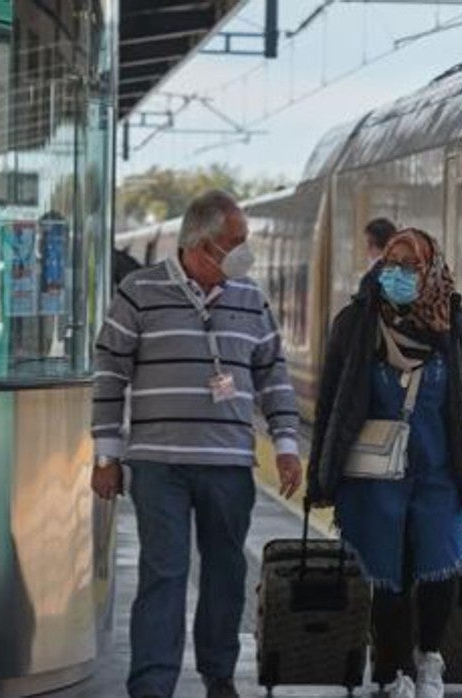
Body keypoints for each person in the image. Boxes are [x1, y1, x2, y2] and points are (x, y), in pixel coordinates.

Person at [90, 190, 303, 698]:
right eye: (235, 242)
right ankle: (152, 684)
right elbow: (109, 373)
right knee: (164, 572)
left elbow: (273, 375)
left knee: (226, 572)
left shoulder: (251, 299)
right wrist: (106, 454)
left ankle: (218, 673)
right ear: (202, 244)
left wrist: (288, 442)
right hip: (159, 462)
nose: (244, 251)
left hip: (228, 462)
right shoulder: (139, 292)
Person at [307, 229, 462, 698]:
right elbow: (333, 402)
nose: (397, 274)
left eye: (410, 265)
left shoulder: (456, 326)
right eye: (391, 262)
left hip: (438, 468)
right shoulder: (356, 322)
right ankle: (390, 671)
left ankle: (431, 659)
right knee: (389, 573)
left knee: (440, 562)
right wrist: (319, 474)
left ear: (431, 270)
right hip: (374, 474)